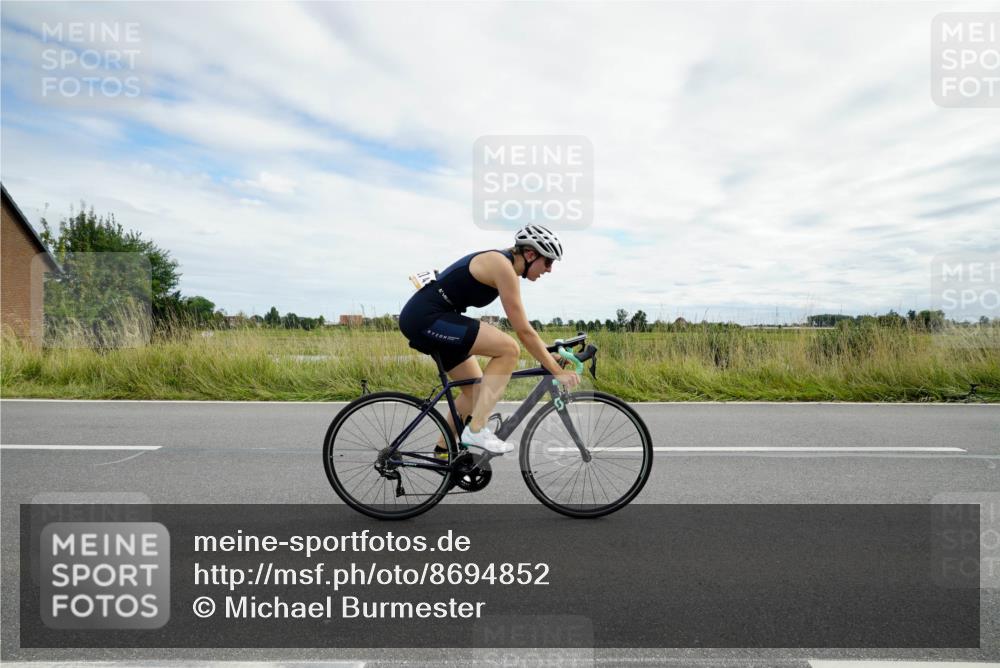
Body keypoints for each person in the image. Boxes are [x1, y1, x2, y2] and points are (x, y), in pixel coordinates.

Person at [398, 224, 581, 456]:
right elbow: (523, 331)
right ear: (530, 254)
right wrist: (556, 370)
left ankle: (442, 453)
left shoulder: (504, 265)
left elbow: (526, 330)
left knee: (474, 392)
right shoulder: (501, 266)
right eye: (548, 262)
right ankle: (476, 430)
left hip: (433, 318)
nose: (550, 269)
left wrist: (547, 356)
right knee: (509, 350)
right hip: (426, 318)